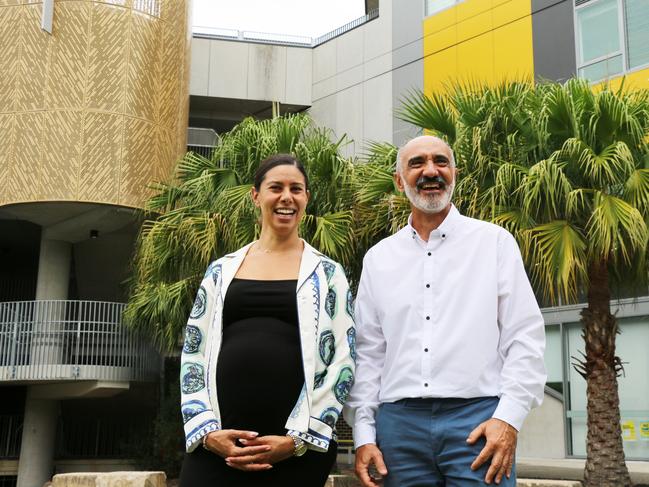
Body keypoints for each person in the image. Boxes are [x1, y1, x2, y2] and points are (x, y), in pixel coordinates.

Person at [344, 135, 546, 487]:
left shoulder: (494, 243)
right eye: (417, 163)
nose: (430, 170)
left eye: (440, 161)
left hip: (479, 420)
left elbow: (524, 336)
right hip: (398, 428)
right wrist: (364, 434)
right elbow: (369, 353)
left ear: (454, 172)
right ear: (398, 180)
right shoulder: (378, 259)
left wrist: (509, 419)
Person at [179, 154, 356, 487]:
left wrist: (297, 440)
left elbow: (343, 361)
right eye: (276, 187)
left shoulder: (328, 273)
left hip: (295, 452)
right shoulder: (221, 271)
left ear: (305, 198)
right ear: (255, 195)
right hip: (218, 446)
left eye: (296, 189)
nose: (286, 197)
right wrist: (207, 432)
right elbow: (193, 352)